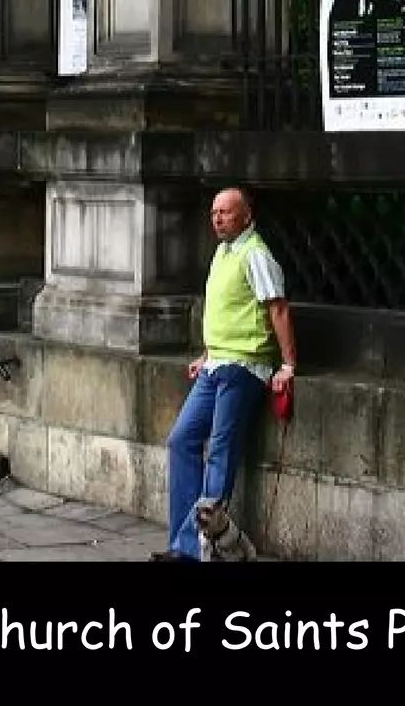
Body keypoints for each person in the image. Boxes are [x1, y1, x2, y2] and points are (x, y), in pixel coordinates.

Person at [155, 187, 296, 561]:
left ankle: (207, 547)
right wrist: (207, 354)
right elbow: (225, 310)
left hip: (244, 366)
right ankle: (185, 545)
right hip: (217, 364)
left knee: (220, 451)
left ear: (246, 216)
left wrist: (287, 365)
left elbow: (277, 309)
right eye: (214, 212)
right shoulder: (223, 252)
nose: (217, 218)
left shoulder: (256, 255)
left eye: (226, 212)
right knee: (180, 440)